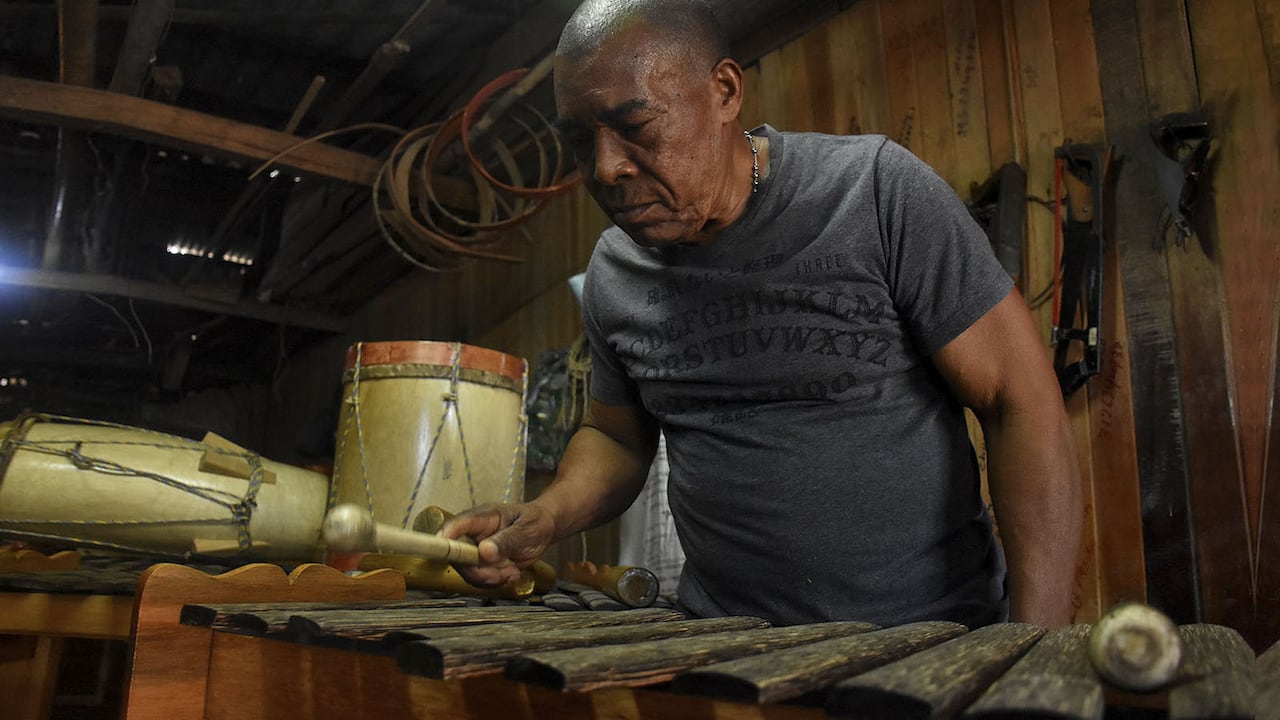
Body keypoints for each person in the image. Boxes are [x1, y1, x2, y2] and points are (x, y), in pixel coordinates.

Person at [443, 0, 1083, 629]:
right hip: (734, 650)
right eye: (581, 142)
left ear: (724, 91)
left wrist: (1037, 647)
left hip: (931, 638)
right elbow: (616, 437)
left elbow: (1017, 399)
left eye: (635, 125)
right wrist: (547, 517)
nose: (606, 166)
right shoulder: (615, 272)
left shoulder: (875, 192)